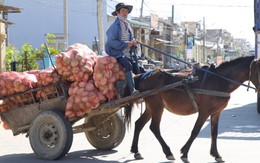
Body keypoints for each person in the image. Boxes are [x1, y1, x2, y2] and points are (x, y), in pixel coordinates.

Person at [105, 3, 139, 95]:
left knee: (138, 68)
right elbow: (111, 42)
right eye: (123, 11)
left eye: (126, 11)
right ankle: (132, 91)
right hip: (117, 53)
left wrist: (133, 42)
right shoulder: (114, 27)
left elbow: (130, 39)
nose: (125, 13)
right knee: (128, 66)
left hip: (128, 53)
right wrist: (126, 44)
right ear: (117, 12)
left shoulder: (127, 25)